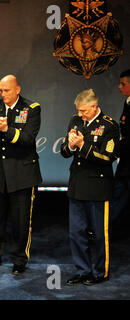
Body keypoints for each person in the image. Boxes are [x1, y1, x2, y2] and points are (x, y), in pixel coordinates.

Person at [0, 75, 42, 275]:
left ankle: (19, 259)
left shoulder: (31, 108)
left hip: (22, 173)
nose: (2, 94)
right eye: (0, 90)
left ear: (17, 89)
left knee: (20, 220)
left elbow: (28, 138)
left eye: (6, 90)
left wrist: (6, 129)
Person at [61, 89, 120, 286]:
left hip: (98, 187)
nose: (80, 114)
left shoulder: (110, 126)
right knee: (76, 232)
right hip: (77, 185)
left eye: (84, 110)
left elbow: (107, 158)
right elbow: (64, 151)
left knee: (100, 234)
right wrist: (70, 146)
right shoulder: (75, 121)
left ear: (94, 107)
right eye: (78, 110)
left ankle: (101, 272)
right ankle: (83, 270)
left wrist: (83, 145)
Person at [111, 70, 130, 223]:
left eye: (123, 84)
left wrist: (114, 150)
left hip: (126, 155)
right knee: (117, 194)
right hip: (125, 160)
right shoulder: (128, 102)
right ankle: (103, 230)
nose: (119, 87)